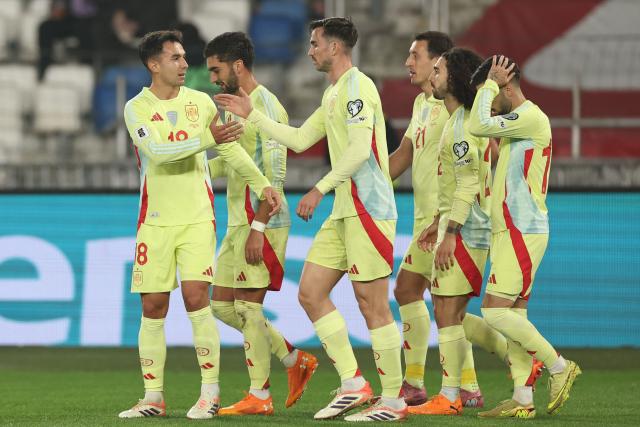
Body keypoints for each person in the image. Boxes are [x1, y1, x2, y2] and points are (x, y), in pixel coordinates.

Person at [215, 17, 408, 422]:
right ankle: (354, 383)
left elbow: (358, 152)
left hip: (369, 209)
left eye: (315, 43)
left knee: (372, 304)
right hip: (344, 211)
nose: (310, 50)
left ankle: (392, 400)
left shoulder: (358, 86)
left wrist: (319, 188)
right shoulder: (334, 92)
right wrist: (253, 115)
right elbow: (300, 138)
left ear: (335, 47)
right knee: (310, 292)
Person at [118, 30, 281, 419]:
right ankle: (152, 397)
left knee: (196, 301)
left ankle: (210, 394)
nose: (185, 64)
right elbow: (157, 153)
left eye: (184, 57)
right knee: (153, 307)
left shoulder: (200, 102)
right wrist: (205, 138)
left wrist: (263, 186)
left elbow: (228, 148)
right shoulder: (136, 108)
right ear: (153, 64)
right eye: (175, 58)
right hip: (155, 221)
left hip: (196, 219)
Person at [203, 31, 318, 416]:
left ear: (237, 66)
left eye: (216, 69)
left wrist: (259, 227)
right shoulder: (231, 106)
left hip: (262, 222)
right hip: (239, 222)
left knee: (249, 309)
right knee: (220, 306)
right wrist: (192, 165)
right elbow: (231, 160)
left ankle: (260, 396)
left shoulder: (265, 106)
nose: (213, 78)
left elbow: (276, 175)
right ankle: (292, 359)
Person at [469, 55, 581, 418]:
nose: (485, 101)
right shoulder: (516, 126)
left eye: (489, 92)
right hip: (509, 227)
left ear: (505, 86)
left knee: (493, 311)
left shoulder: (531, 116)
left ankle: (560, 366)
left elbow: (477, 124)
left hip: (523, 227)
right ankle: (522, 398)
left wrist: (489, 83)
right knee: (515, 313)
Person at [390, 31, 498, 408]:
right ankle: (442, 384)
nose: (409, 63)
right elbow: (404, 154)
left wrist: (452, 221)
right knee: (415, 293)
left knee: (447, 307)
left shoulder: (456, 111)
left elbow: (488, 150)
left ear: (441, 63)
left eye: (415, 55)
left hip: (456, 222)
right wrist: (362, 181)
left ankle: (454, 385)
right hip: (431, 221)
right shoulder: (424, 104)